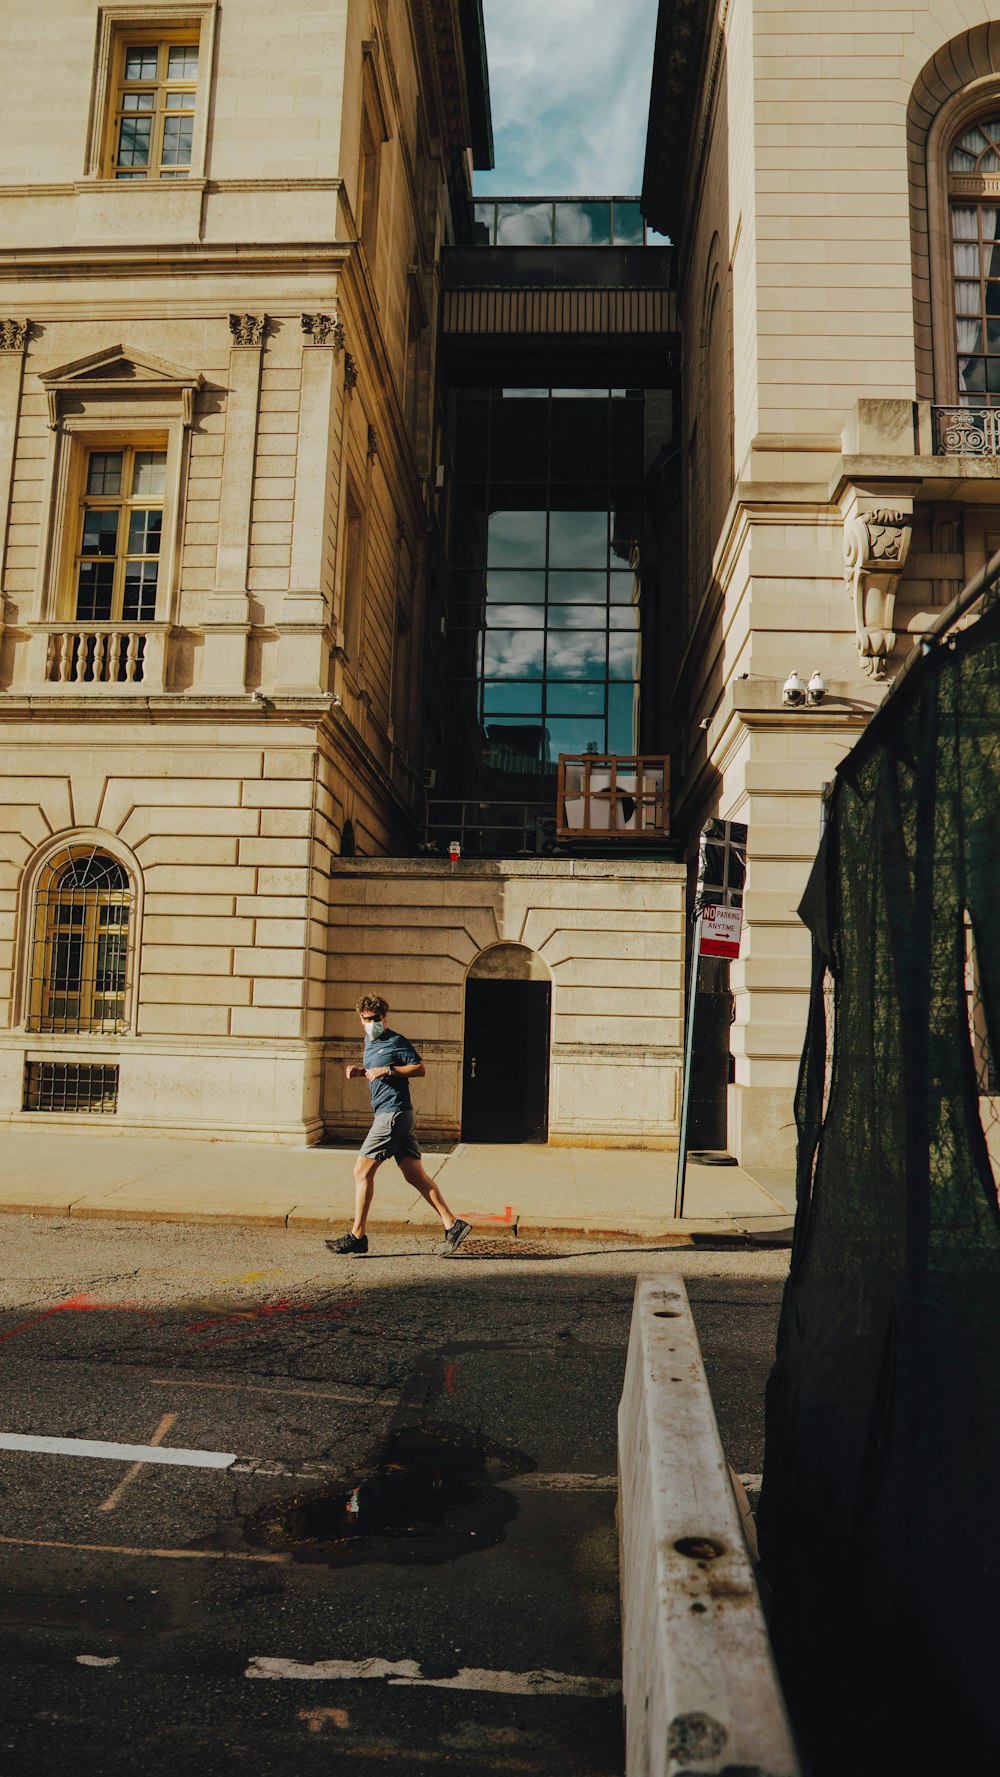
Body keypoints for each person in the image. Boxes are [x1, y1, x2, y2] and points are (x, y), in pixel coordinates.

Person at [327, 993, 472, 1258]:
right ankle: (453, 1224)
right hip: (395, 1115)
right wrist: (361, 1072)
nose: (372, 1023)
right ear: (361, 1019)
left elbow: (419, 1068)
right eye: (367, 1019)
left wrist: (389, 1070)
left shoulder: (396, 1041)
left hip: (393, 1116)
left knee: (361, 1172)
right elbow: (376, 1072)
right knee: (414, 1176)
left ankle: (357, 1235)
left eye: (376, 1018)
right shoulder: (369, 1042)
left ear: (385, 1017)